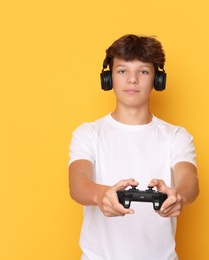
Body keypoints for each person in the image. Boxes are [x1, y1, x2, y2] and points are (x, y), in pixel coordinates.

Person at [68, 34, 199, 260]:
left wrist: (178, 195)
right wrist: (100, 195)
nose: (132, 79)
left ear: (157, 80)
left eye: (143, 71)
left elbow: (190, 181)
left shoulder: (176, 136)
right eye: (122, 71)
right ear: (108, 79)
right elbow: (77, 184)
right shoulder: (88, 133)